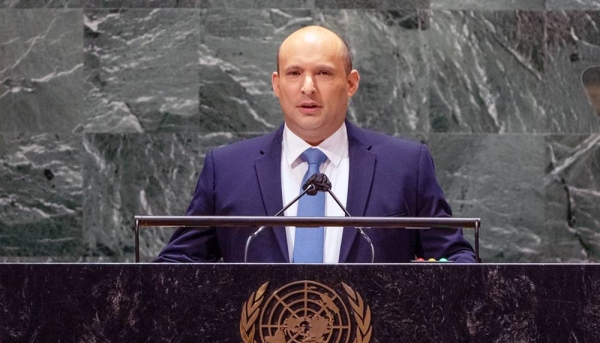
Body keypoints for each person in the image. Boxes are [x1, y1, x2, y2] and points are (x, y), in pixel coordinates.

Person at [155, 25, 476, 263]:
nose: (308, 87)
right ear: (277, 85)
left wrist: (436, 279)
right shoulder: (226, 170)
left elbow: (456, 258)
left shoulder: (406, 166)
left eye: (323, 73)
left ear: (350, 84)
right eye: (294, 73)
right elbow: (176, 266)